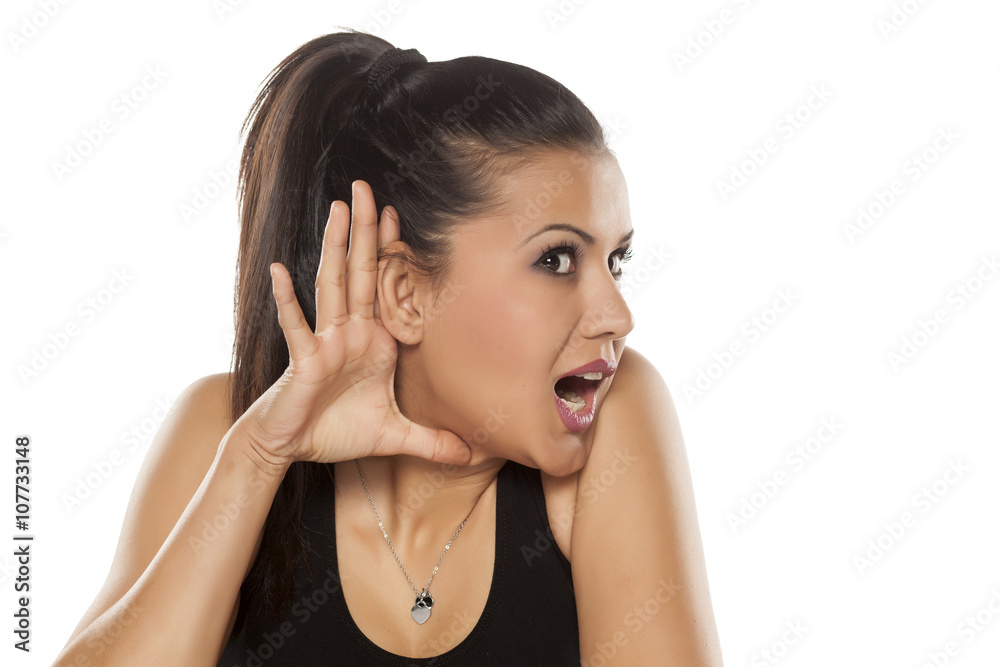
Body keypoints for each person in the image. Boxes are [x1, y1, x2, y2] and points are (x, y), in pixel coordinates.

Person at [55, 30, 723, 666]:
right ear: (406, 294)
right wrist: (257, 459)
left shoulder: (615, 411)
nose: (618, 316)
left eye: (617, 261)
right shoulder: (224, 429)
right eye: (557, 259)